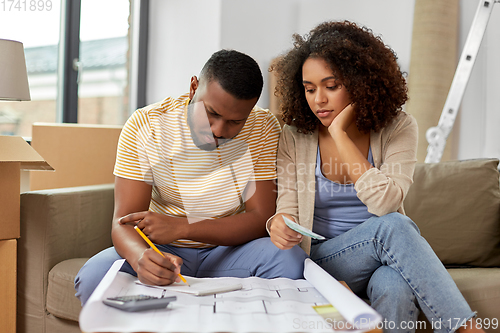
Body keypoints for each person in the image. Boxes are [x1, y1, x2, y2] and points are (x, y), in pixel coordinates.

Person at [268, 21, 484, 333]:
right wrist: (278, 223)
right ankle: (466, 328)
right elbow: (286, 209)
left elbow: (386, 202)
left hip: (383, 258)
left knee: (395, 284)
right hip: (325, 260)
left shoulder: (399, 128)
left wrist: (339, 135)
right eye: (310, 89)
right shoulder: (295, 136)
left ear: (361, 83)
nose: (318, 100)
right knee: (394, 227)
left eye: (331, 87)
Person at [75, 49, 308, 305]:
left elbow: (260, 218)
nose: (218, 131)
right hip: (163, 249)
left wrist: (183, 227)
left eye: (235, 122)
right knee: (95, 277)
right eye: (212, 113)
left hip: (233, 251)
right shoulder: (146, 125)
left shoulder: (263, 128)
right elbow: (124, 221)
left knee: (290, 261)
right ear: (194, 87)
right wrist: (141, 256)